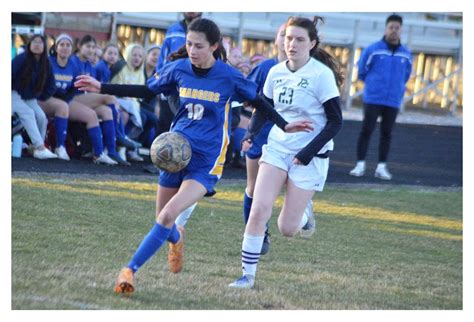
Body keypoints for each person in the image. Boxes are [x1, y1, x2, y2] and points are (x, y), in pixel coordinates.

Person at [75, 17, 313, 295]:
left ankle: (129, 271)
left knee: (166, 216)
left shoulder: (228, 76)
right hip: (174, 153)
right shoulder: (178, 69)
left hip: (206, 161)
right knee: (164, 222)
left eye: (198, 45)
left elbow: (260, 102)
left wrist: (285, 125)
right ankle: (176, 240)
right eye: (189, 44)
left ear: (214, 46)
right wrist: (101, 86)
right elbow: (146, 91)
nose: (192, 50)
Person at [229, 16, 344, 289]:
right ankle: (247, 277)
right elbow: (264, 107)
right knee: (258, 209)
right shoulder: (276, 72)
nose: (291, 44)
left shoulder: (321, 76)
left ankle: (304, 213)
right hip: (278, 148)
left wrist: (306, 152)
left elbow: (335, 121)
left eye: (299, 39)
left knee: (287, 228)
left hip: (311, 155)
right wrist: (250, 135)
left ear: (312, 43)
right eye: (288, 38)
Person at [349, 14, 412, 180]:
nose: (393, 31)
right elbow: (362, 71)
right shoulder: (373, 49)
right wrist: (374, 85)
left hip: (392, 101)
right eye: (391, 27)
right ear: (386, 28)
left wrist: (396, 89)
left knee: (387, 133)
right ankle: (360, 165)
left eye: (397, 28)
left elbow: (406, 75)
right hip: (373, 98)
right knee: (366, 130)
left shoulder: (406, 53)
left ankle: (381, 167)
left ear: (401, 30)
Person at [41, 33, 117, 165]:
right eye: (62, 45)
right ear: (56, 47)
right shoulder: (49, 62)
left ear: (71, 48)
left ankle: (99, 154)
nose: (65, 48)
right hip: (46, 99)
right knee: (63, 106)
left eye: (68, 45)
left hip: (66, 100)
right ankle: (60, 147)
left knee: (92, 115)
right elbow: (42, 86)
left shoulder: (73, 65)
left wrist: (67, 96)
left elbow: (75, 88)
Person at [71, 34, 129, 165]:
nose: (91, 50)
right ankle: (119, 135)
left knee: (106, 111)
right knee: (110, 98)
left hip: (85, 98)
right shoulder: (73, 61)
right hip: (72, 98)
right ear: (79, 46)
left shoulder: (89, 65)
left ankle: (110, 152)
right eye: (87, 46)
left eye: (93, 47)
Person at [155, 12, 203, 136]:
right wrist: (161, 80)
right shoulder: (173, 29)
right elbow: (163, 59)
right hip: (171, 87)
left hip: (195, 89)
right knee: (165, 128)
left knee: (188, 129)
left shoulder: (207, 29)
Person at [11, 34, 58, 160]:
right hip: (12, 93)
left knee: (42, 117)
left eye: (40, 42)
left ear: (45, 46)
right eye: (34, 42)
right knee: (28, 113)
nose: (37, 45)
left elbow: (51, 85)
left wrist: (40, 97)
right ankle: (41, 147)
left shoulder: (46, 63)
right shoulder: (22, 58)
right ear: (30, 45)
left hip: (28, 97)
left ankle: (36, 148)